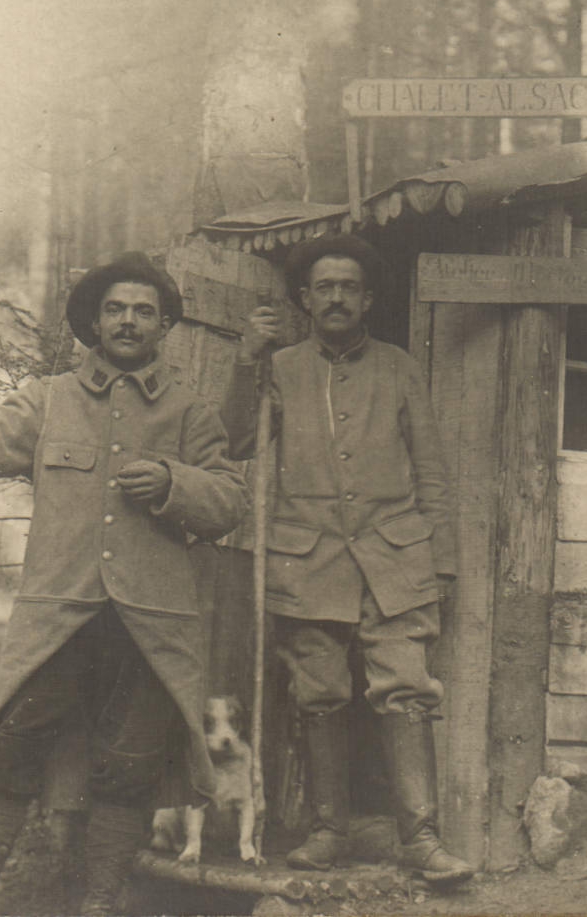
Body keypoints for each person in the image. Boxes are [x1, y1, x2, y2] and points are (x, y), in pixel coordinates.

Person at [0, 253, 246, 915]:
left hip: (151, 625)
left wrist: (172, 482)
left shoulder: (189, 413)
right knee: (10, 753)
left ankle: (100, 901)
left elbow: (228, 501)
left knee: (130, 766)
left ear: (164, 326)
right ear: (94, 322)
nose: (128, 321)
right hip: (60, 620)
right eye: (115, 309)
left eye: (143, 312)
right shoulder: (48, 399)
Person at [220, 234, 474, 887]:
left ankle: (420, 836)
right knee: (321, 694)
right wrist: (248, 356)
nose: (336, 297)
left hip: (396, 557)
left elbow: (432, 471)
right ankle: (328, 830)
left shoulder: (399, 367)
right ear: (304, 299)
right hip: (306, 560)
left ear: (368, 299)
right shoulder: (280, 367)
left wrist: (440, 559)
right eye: (324, 287)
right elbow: (240, 438)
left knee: (406, 692)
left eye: (349, 287)